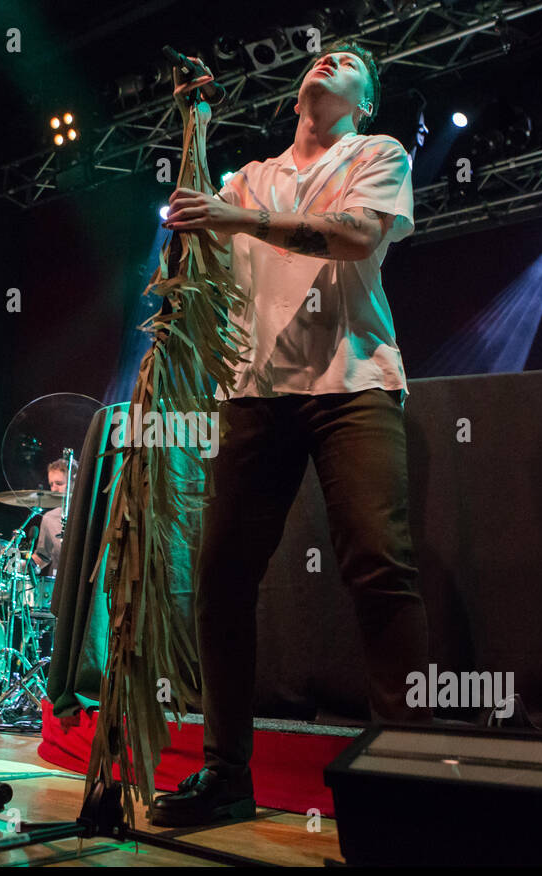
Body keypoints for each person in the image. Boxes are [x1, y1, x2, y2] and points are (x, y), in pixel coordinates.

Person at [152, 43, 431, 826]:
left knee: (379, 564)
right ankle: (226, 774)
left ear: (365, 99)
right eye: (319, 55)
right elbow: (189, 247)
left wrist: (237, 216)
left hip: (354, 379)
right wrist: (192, 125)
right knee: (222, 580)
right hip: (254, 391)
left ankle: (410, 777)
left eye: (346, 59)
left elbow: (352, 236)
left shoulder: (376, 151)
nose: (324, 59)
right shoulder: (248, 176)